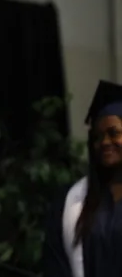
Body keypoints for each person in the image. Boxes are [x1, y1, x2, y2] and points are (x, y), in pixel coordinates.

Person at [43, 80, 122, 277]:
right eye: (97, 137)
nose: (104, 143)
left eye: (113, 133)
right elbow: (56, 266)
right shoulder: (71, 202)